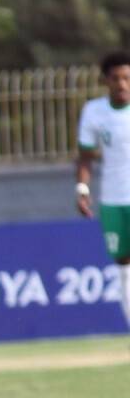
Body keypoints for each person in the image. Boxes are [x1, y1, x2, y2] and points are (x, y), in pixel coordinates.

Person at [76, 50, 130, 333]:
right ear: (105, 80)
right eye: (116, 78)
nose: (122, 84)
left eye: (127, 78)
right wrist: (82, 187)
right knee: (124, 264)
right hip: (113, 198)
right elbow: (85, 155)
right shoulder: (94, 111)